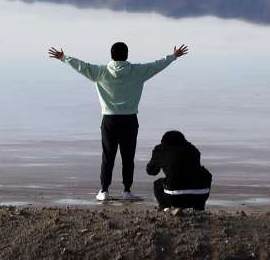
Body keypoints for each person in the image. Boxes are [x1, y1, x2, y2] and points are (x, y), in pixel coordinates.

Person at [47, 41, 189, 202]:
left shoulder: (100, 72)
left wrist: (64, 58)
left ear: (111, 55)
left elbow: (82, 66)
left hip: (109, 120)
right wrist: (173, 56)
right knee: (128, 157)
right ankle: (127, 191)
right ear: (126, 55)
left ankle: (104, 191)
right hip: (130, 120)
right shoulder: (138, 71)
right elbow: (157, 65)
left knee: (108, 156)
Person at [146, 130, 212, 211]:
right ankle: (199, 208)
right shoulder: (193, 149)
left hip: (175, 198)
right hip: (200, 196)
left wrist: (161, 162)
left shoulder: (161, 149)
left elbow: (151, 171)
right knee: (204, 174)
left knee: (158, 184)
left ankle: (165, 208)